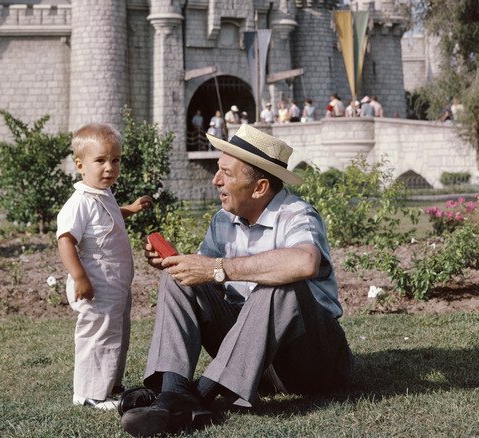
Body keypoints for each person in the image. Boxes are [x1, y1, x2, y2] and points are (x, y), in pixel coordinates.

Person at [119, 124, 354, 437]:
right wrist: (182, 266)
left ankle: (199, 396)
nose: (216, 180)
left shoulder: (298, 214)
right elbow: (204, 277)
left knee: (282, 283)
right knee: (178, 279)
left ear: (259, 188)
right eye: (219, 170)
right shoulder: (223, 221)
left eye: (226, 173)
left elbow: (305, 262)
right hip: (254, 362)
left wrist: (218, 267)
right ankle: (173, 392)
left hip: (312, 361)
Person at [56, 124, 154, 411]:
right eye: (100, 161)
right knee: (97, 333)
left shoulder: (103, 194)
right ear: (80, 166)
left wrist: (131, 209)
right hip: (96, 279)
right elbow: (66, 240)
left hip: (115, 282)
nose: (109, 167)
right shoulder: (80, 202)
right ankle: (88, 393)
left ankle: (109, 384)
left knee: (116, 333)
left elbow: (109, 215)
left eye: (115, 160)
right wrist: (79, 278)